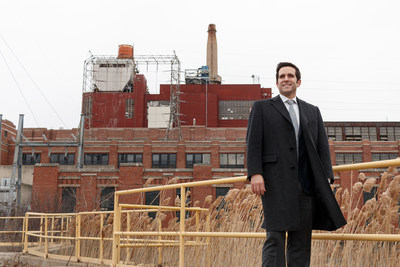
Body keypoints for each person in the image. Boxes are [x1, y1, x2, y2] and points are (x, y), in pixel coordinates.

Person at [246, 62, 346, 267]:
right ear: (276, 82)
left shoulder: (312, 111)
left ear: (298, 81)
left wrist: (326, 176)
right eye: (282, 76)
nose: (286, 79)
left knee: (301, 241)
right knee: (275, 237)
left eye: (290, 76)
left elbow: (321, 145)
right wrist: (255, 173)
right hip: (275, 183)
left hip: (306, 184)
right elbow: (253, 142)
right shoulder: (262, 108)